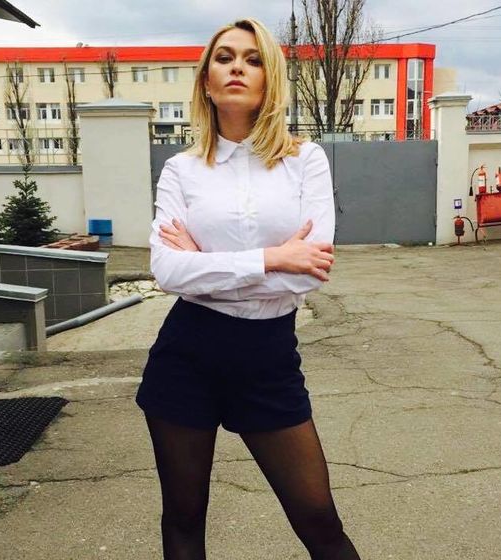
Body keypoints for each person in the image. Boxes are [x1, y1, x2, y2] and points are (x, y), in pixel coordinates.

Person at [135, 17, 361, 560]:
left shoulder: (304, 161)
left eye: (253, 59)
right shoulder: (182, 170)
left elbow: (308, 269)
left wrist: (205, 265)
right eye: (225, 57)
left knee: (319, 520)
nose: (238, 67)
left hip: (268, 358)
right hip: (187, 355)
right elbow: (167, 271)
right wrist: (271, 257)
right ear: (206, 80)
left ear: (270, 78)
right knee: (183, 518)